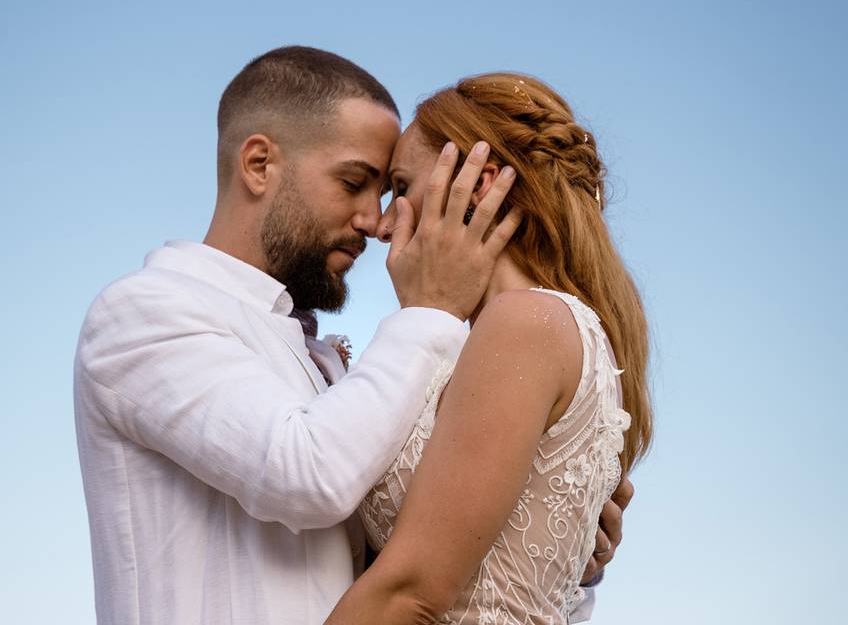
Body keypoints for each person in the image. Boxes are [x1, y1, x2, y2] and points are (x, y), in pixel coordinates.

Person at [73, 46, 625, 625]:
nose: (374, 220)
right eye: (354, 182)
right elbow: (304, 478)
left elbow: (399, 586)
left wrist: (550, 538)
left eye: (386, 191)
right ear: (259, 164)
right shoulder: (144, 313)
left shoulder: (327, 365)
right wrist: (432, 311)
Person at [325, 73, 652, 624]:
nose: (383, 225)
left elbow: (412, 592)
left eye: (401, 188)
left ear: (480, 181)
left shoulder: (526, 323)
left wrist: (422, 312)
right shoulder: (523, 332)